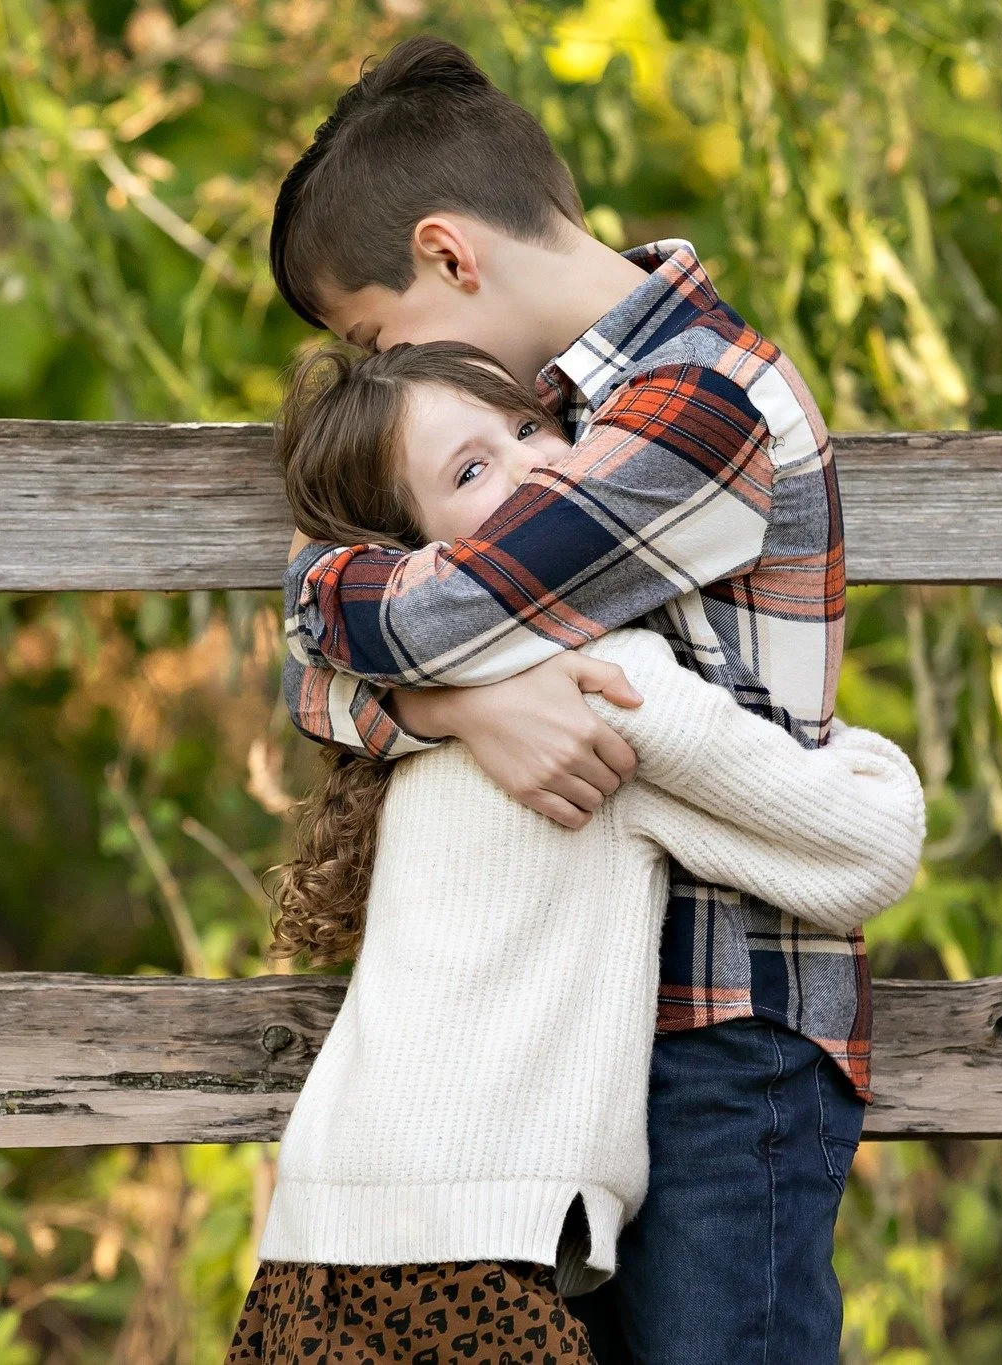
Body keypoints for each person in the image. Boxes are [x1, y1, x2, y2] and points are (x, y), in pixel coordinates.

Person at [268, 36, 871, 1363]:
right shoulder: (552, 426)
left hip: (728, 1028)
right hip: (571, 1043)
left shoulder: (702, 405)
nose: (391, 378)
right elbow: (327, 684)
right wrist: (454, 714)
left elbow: (426, 617)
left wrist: (321, 587)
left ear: (446, 255)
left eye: (375, 338)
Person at [227, 343, 925, 1365]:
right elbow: (869, 851)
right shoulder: (603, 683)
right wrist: (837, 747)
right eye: (471, 471)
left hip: (320, 1234)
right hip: (473, 1257)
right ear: (411, 559)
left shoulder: (415, 709)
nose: (531, 465)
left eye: (529, 427)